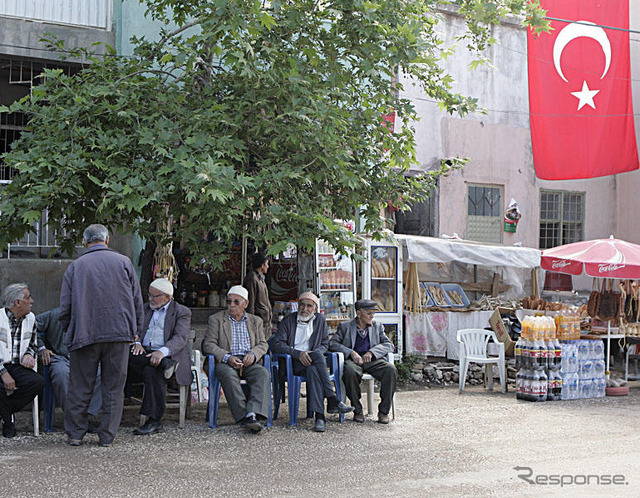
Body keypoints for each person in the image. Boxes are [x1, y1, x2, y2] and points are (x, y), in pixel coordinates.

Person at [60, 224, 144, 447]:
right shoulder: (125, 262)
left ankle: (76, 434)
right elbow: (137, 300)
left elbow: (65, 307)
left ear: (85, 242)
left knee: (80, 386)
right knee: (114, 387)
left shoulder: (76, 266)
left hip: (84, 333)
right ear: (107, 240)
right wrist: (136, 331)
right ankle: (107, 436)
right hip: (119, 334)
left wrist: (70, 329)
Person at [271, 291, 353, 432]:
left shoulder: (319, 320)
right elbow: (277, 344)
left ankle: (320, 418)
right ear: (298, 306)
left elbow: (325, 344)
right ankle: (331, 398)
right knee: (317, 358)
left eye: (309, 306)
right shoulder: (288, 320)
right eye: (302, 305)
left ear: (314, 308)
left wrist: (313, 354)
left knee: (313, 368)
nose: (305, 309)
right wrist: (298, 354)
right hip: (293, 363)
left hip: (313, 362)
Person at [202, 285, 270, 433]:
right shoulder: (216, 319)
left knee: (262, 374)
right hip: (226, 360)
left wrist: (253, 354)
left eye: (236, 302)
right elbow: (208, 344)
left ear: (245, 303)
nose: (231, 305)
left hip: (248, 360)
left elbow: (263, 344)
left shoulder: (255, 321)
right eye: (229, 302)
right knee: (228, 375)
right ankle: (245, 417)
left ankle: (253, 413)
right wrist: (227, 357)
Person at [128, 278, 191, 435]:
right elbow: (132, 330)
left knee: (151, 371)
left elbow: (180, 338)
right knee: (121, 355)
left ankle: (154, 421)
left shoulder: (181, 312)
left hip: (166, 353)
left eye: (154, 296)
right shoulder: (144, 309)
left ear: (167, 297)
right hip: (141, 352)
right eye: (149, 295)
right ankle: (164, 364)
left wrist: (162, 352)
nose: (150, 299)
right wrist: (137, 342)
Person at [329, 299, 397, 424]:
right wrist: (351, 352)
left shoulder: (377, 326)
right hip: (353, 361)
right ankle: (357, 409)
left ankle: (383, 411)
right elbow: (332, 343)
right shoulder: (345, 327)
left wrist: (372, 352)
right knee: (349, 371)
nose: (372, 316)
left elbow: (389, 345)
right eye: (369, 313)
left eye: (373, 313)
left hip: (372, 361)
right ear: (359, 313)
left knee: (390, 369)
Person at [37, 307, 102, 425]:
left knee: (102, 373)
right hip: (60, 356)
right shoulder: (54, 314)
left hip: (85, 358)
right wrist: (42, 348)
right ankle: (73, 416)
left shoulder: (92, 315)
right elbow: (30, 327)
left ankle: (87, 414)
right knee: (61, 374)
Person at [0, 283, 44, 438]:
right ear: (17, 302)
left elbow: (33, 343)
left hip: (18, 366)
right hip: (1, 366)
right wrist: (3, 372)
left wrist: (29, 355)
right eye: (28, 298)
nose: (31, 301)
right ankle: (8, 421)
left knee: (37, 382)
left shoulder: (30, 318)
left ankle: (5, 410)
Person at [243, 250, 272, 338]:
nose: (268, 266)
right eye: (266, 264)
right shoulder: (252, 278)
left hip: (265, 321)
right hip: (258, 321)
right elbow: (250, 302)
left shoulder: (261, 278)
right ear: (262, 265)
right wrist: (251, 323)